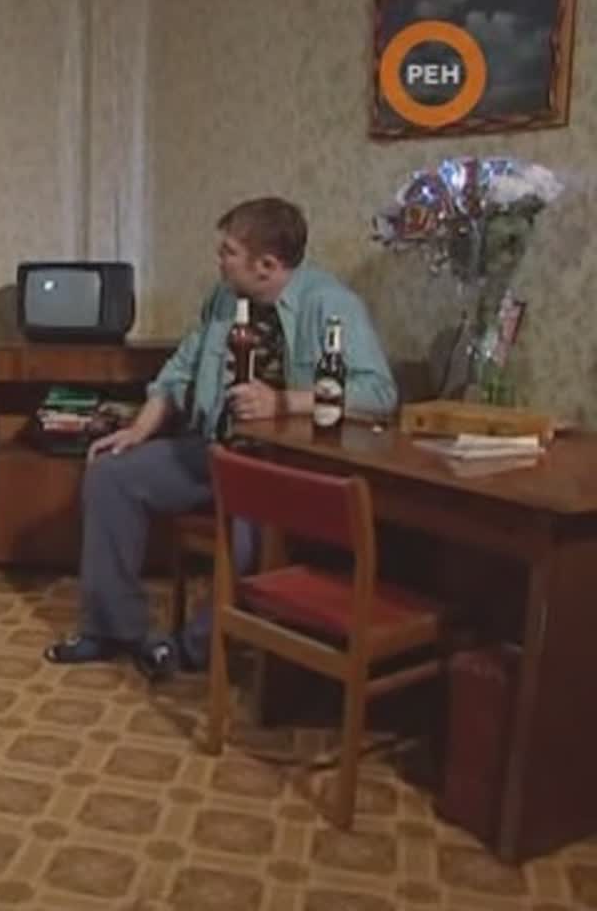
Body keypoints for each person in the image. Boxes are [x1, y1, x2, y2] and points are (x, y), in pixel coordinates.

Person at [43, 196, 397, 680]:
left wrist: (284, 402)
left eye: (228, 252)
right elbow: (181, 368)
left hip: (278, 470)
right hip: (212, 449)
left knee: (250, 537)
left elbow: (380, 394)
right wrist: (138, 430)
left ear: (266, 264)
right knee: (111, 476)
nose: (219, 260)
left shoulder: (330, 304)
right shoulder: (225, 298)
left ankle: (190, 649)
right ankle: (112, 629)